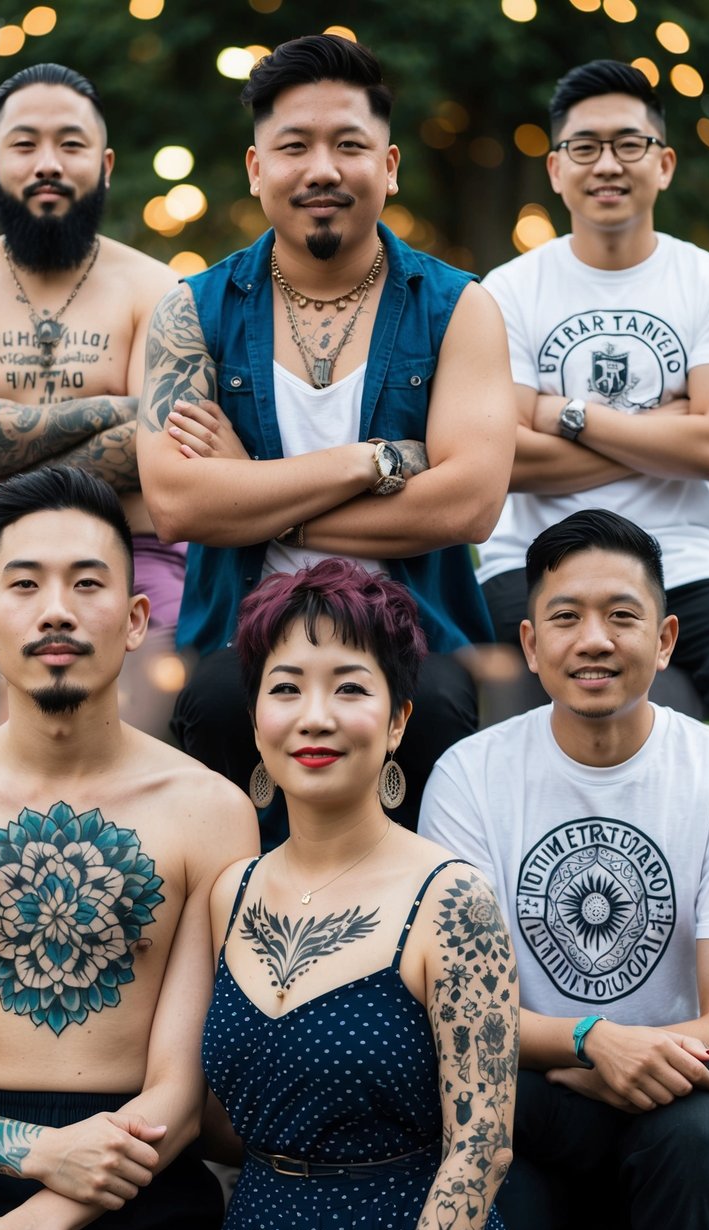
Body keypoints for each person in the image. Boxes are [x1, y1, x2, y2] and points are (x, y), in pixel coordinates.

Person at [136, 34, 515, 840]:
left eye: (350, 145)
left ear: (390, 165)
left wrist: (258, 493)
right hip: (244, 632)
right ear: (254, 167)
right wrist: (368, 462)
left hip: (412, 632)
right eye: (294, 146)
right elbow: (177, 502)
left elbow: (469, 503)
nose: (322, 169)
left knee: (442, 704)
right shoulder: (189, 311)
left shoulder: (459, 307)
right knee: (210, 703)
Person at [0, 466, 259, 1230]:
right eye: (25, 583)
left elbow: (182, 1095)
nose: (56, 609)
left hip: (142, 1203)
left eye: (87, 583)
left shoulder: (210, 811)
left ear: (135, 620)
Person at [201, 557, 520, 1230]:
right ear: (255, 720)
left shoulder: (453, 900)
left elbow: (483, 1145)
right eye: (286, 687)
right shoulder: (229, 892)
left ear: (399, 719)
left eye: (349, 686)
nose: (315, 715)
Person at [419, 509, 709, 1230]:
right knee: (478, 1105)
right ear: (529, 641)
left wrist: (632, 1060)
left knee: (695, 1138)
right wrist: (592, 1041)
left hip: (679, 1098)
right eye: (566, 617)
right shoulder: (470, 776)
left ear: (664, 639)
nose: (594, 640)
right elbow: (459, 1013)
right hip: (541, 1099)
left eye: (622, 616)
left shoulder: (707, 773)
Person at [0, 63, 183, 744]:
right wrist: (117, 410)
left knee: (192, 687)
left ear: (105, 165)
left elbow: (159, 446)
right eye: (25, 144)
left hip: (132, 557)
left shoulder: (157, 289)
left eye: (71, 144)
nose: (47, 163)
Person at [477, 59, 709, 715]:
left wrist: (566, 413)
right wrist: (666, 429)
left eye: (628, 144)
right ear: (556, 169)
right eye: (584, 147)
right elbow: (506, 459)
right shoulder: (507, 290)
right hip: (531, 565)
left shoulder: (704, 282)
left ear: (662, 164)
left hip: (689, 566)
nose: (607, 163)